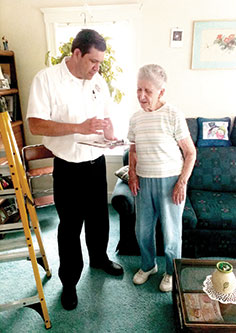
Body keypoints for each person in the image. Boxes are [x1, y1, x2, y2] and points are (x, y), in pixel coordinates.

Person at [27, 29, 124, 311]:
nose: (98, 67)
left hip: (97, 164)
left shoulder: (99, 82)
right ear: (77, 53)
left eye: (100, 63)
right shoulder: (46, 79)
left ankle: (99, 258)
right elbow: (36, 124)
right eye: (93, 61)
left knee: (99, 219)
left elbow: (107, 123)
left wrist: (110, 133)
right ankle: (69, 283)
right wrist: (77, 128)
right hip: (68, 168)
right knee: (69, 228)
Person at [128, 64, 196, 292]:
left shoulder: (173, 114)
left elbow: (190, 153)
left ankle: (170, 271)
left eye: (148, 91)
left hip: (170, 183)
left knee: (171, 234)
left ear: (161, 92)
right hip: (144, 181)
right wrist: (132, 174)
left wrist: (181, 183)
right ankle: (148, 266)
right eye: (139, 89)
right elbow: (134, 150)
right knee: (142, 230)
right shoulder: (135, 118)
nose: (142, 96)